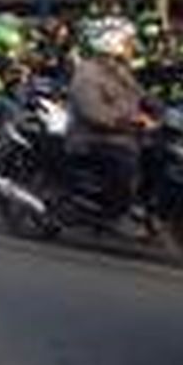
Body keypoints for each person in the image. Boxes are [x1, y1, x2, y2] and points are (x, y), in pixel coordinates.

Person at [66, 21, 146, 218]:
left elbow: (140, 95)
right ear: (111, 44)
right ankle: (114, 210)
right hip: (93, 138)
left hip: (124, 133)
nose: (131, 47)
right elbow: (93, 112)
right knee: (126, 161)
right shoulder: (88, 73)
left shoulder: (119, 69)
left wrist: (160, 107)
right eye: (127, 42)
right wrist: (129, 121)